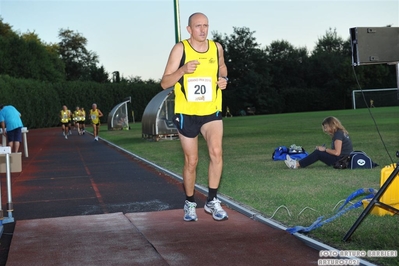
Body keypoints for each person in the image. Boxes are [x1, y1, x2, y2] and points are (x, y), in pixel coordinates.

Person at [160, 12, 229, 222]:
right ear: (189, 29)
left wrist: (223, 78)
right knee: (192, 161)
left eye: (206, 25)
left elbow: (222, 66)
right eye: (198, 26)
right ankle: (190, 202)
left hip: (211, 110)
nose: (203, 30)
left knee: (216, 152)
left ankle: (212, 201)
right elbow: (164, 83)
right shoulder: (180, 48)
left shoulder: (216, 47)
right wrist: (182, 70)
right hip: (187, 112)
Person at [285, 116, 353, 169]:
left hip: (341, 160)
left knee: (318, 153)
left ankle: (296, 165)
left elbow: (337, 153)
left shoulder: (338, 134)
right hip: (344, 159)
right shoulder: (340, 132)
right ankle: (297, 163)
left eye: (326, 127)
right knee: (319, 151)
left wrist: (325, 149)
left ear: (332, 125)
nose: (325, 130)